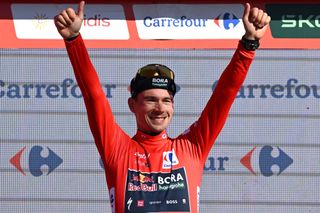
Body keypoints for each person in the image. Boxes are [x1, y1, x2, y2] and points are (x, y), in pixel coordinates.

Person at [54, 1, 270, 212]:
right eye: (150, 100)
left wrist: (249, 43)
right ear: (132, 105)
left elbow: (225, 95)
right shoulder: (117, 149)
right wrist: (73, 39)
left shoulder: (192, 146)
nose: (160, 108)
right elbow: (94, 96)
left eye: (166, 101)